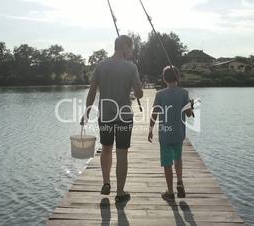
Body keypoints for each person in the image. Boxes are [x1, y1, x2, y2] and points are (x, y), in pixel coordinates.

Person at [81, 35, 143, 203]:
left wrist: (86, 112)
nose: (132, 51)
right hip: (124, 117)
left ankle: (106, 183)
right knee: (122, 153)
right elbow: (139, 94)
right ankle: (120, 192)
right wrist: (135, 87)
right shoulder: (131, 68)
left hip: (106, 116)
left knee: (106, 148)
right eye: (131, 48)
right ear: (124, 47)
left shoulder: (100, 66)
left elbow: (92, 91)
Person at [148, 65, 193, 201]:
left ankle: (170, 191)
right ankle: (179, 181)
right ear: (178, 78)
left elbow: (154, 113)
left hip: (165, 134)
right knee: (178, 158)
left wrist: (150, 129)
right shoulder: (184, 93)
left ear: (164, 79)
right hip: (179, 134)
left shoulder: (160, 94)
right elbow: (189, 114)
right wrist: (190, 106)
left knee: (167, 163)